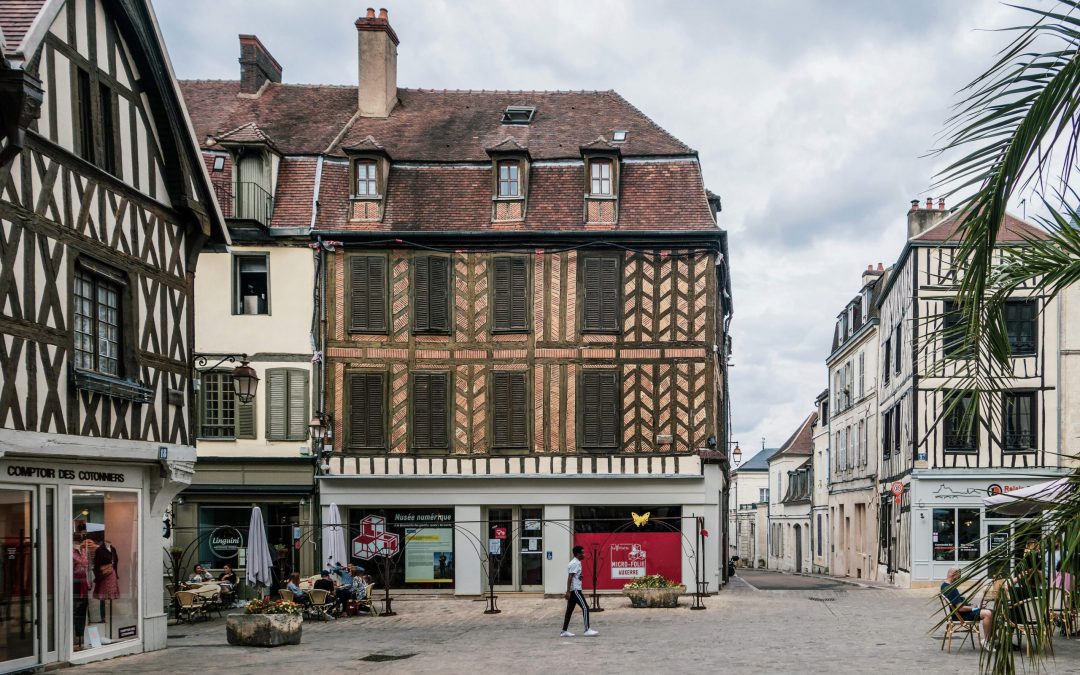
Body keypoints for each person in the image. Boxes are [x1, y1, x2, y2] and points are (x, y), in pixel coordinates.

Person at [941, 567, 993, 650]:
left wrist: (975, 606)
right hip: (960, 616)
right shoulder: (952, 589)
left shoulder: (944, 585)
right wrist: (974, 608)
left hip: (960, 613)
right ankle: (986, 641)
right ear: (953, 575)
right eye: (959, 576)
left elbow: (959, 604)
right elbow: (960, 608)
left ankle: (992, 637)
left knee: (992, 611)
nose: (960, 578)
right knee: (988, 614)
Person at [560, 545, 598, 637]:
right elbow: (570, 577)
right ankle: (587, 630)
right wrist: (568, 591)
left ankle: (564, 631)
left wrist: (579, 577)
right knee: (585, 607)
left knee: (569, 611)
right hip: (575, 590)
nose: (584, 554)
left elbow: (574, 576)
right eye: (582, 553)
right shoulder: (575, 563)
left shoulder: (577, 562)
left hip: (574, 590)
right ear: (577, 554)